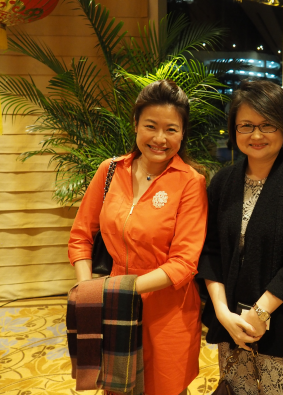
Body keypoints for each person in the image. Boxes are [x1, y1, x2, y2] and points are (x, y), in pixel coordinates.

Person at [68, 80, 208, 395]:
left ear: (183, 133)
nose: (160, 138)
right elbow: (80, 236)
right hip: (113, 305)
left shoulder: (190, 183)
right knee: (117, 388)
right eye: (151, 126)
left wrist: (115, 291)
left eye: (171, 129)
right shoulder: (109, 172)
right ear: (135, 125)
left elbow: (184, 264)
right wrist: (90, 289)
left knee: (164, 389)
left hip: (168, 311)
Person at [197, 80, 283, 395]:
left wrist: (260, 312)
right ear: (234, 129)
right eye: (246, 125)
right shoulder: (223, 180)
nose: (256, 135)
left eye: (267, 125)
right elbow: (211, 250)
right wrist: (222, 313)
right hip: (232, 323)